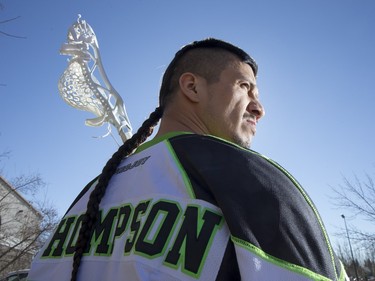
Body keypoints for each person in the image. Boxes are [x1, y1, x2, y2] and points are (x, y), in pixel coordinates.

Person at [28, 38, 348, 281]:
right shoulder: (249, 177)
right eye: (245, 88)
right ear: (192, 87)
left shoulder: (88, 195)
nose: (258, 107)